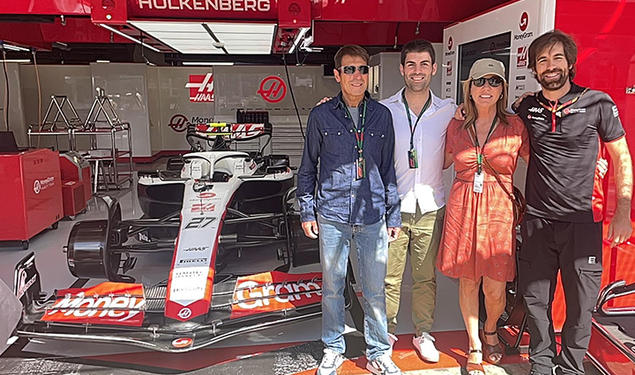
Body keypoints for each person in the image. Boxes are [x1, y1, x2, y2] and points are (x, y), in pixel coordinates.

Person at [511, 30, 633, 375]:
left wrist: (621, 212)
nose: (550, 66)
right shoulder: (527, 105)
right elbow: (503, 129)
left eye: (557, 58)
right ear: (535, 68)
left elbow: (621, 158)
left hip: (583, 221)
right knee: (535, 302)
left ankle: (571, 368)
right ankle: (540, 363)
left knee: (581, 306)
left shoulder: (599, 102)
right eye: (543, 60)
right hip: (537, 220)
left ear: (570, 63)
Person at [296, 44, 403, 375]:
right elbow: (307, 167)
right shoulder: (321, 115)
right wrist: (307, 210)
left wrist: (393, 213)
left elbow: (388, 170)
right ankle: (333, 347)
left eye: (363, 69)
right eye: (350, 70)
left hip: (372, 217)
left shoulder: (382, 115)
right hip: (332, 215)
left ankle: (379, 351)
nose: (357, 76)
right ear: (338, 75)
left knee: (374, 289)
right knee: (332, 288)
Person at [437, 58, 530, 375]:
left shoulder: (515, 126)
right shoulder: (456, 125)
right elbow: (442, 162)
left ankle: (491, 327)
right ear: (470, 88)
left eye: (493, 81)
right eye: (479, 82)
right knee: (467, 280)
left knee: (495, 285)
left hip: (498, 209)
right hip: (463, 206)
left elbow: (542, 159)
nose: (486, 87)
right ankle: (475, 342)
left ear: (503, 88)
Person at [379, 39, 456, 362]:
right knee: (389, 278)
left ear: (434, 69)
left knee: (425, 278)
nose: (417, 70)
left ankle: (423, 333)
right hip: (393, 207)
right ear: (401, 69)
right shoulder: (384, 109)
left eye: (424, 64)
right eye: (411, 64)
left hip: (430, 206)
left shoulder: (449, 110)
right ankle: (387, 333)